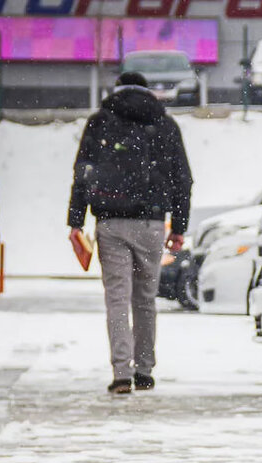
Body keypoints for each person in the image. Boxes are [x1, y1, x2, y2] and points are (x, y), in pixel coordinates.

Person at [68, 71, 192, 395]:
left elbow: (82, 173)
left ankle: (121, 373)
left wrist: (75, 221)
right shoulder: (164, 125)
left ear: (117, 90)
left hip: (110, 222)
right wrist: (178, 227)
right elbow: (183, 179)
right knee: (145, 299)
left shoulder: (100, 123)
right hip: (152, 223)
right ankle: (145, 370)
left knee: (117, 300)